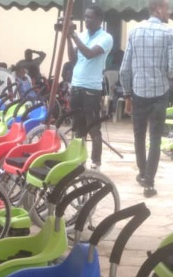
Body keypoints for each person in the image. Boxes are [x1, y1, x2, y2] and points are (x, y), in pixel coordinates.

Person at [120, 0, 173, 198]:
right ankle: (149, 181)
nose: (169, 13)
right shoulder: (169, 33)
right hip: (160, 93)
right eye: (167, 9)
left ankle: (142, 172)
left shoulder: (134, 32)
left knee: (139, 135)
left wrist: (127, 94)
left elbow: (124, 69)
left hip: (138, 92)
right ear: (159, 9)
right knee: (155, 138)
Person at [67, 4, 113, 171]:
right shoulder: (81, 35)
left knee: (93, 128)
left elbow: (89, 53)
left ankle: (96, 163)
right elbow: (72, 59)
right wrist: (67, 37)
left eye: (90, 17)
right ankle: (79, 161)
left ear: (100, 19)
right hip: (77, 85)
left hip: (91, 89)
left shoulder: (106, 38)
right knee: (78, 128)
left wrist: (72, 35)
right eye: (85, 16)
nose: (86, 20)